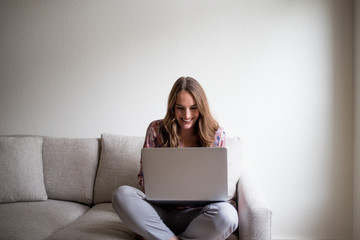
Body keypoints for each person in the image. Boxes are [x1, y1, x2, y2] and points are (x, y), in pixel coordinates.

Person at [112, 77, 238, 240]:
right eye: (180, 108)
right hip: (160, 213)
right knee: (121, 194)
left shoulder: (217, 134)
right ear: (172, 107)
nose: (187, 115)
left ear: (202, 107)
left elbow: (217, 187)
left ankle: (160, 236)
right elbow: (144, 179)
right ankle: (169, 237)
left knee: (228, 216)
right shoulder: (156, 130)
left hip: (198, 216)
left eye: (194, 108)